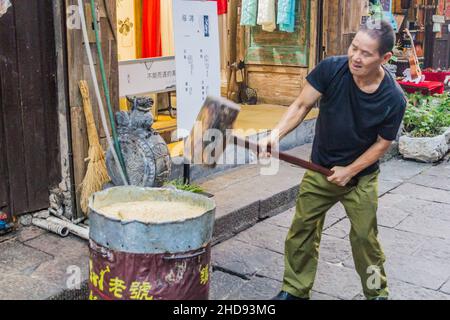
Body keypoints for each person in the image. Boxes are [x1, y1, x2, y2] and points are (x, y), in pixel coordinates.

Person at [259, 19, 407, 300]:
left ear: (385, 58)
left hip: (360, 179)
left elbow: (382, 144)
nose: (356, 57)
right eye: (354, 48)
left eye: (366, 53)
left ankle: (377, 293)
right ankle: (295, 289)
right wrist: (274, 135)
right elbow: (302, 104)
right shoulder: (331, 68)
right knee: (302, 230)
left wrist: (350, 170)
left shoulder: (393, 98)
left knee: (366, 240)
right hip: (320, 170)